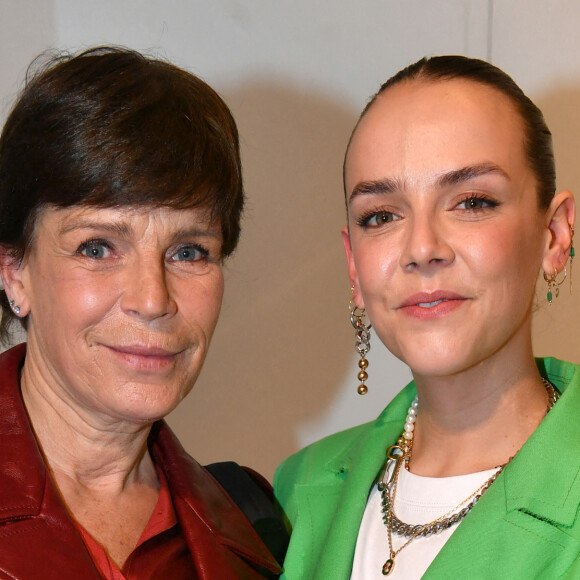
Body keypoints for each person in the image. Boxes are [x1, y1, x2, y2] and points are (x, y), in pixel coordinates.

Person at [274, 55, 580, 579]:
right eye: (382, 215)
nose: (421, 248)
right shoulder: (295, 493)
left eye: (472, 202)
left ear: (554, 236)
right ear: (354, 265)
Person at [0, 47, 282, 579]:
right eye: (98, 247)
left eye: (188, 251)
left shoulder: (258, 525)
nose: (153, 300)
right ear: (15, 271)